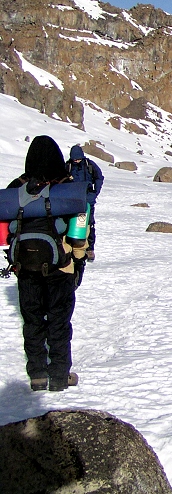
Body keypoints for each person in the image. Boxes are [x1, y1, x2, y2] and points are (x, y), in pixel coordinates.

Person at [7, 135, 85, 391]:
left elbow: (6, 230)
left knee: (32, 322)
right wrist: (79, 257)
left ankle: (38, 375)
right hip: (59, 266)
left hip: (25, 266)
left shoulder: (17, 187)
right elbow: (79, 228)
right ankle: (60, 376)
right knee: (59, 322)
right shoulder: (66, 187)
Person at [66, 145, 103, 261]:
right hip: (72, 200)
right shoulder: (68, 166)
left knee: (89, 223)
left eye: (78, 158)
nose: (76, 161)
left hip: (88, 199)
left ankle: (89, 249)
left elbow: (99, 178)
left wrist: (94, 193)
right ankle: (71, 245)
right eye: (74, 159)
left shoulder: (89, 165)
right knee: (71, 222)